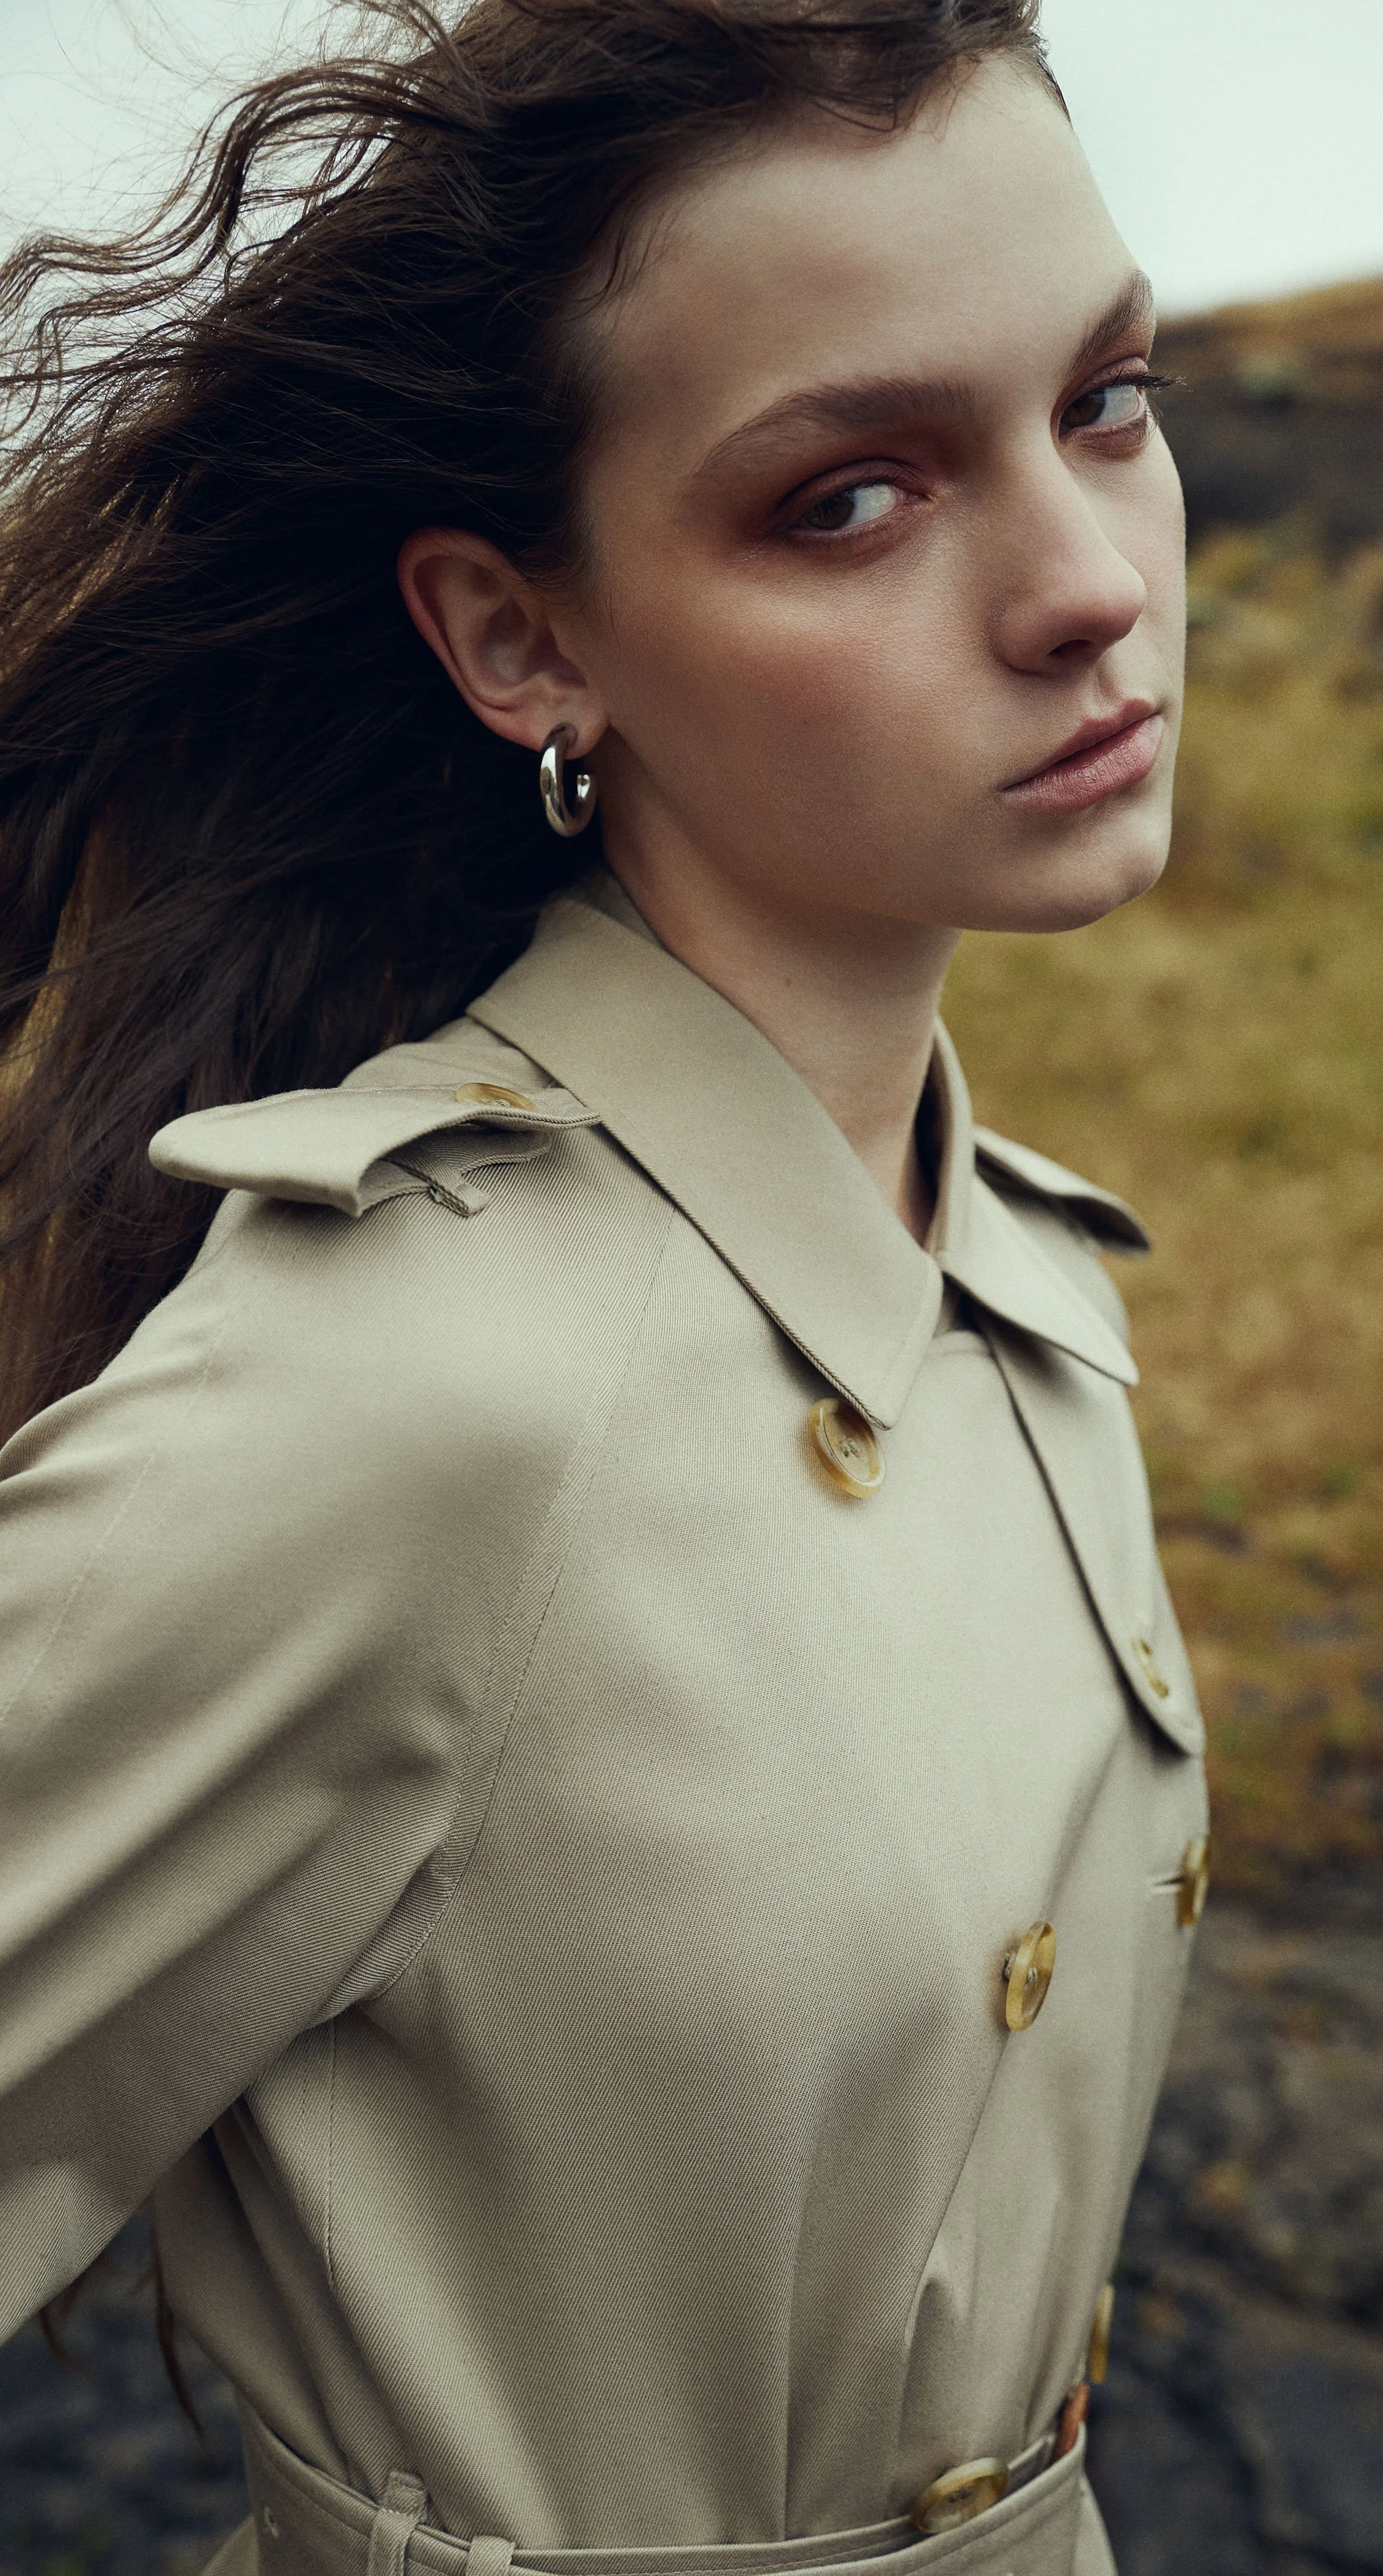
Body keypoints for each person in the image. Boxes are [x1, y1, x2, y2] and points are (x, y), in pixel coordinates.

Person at [0, 3, 1208, 2571]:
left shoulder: (1024, 1289)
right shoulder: (415, 1388)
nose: (1092, 583)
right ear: (520, 641)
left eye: (1108, 398)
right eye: (853, 495)